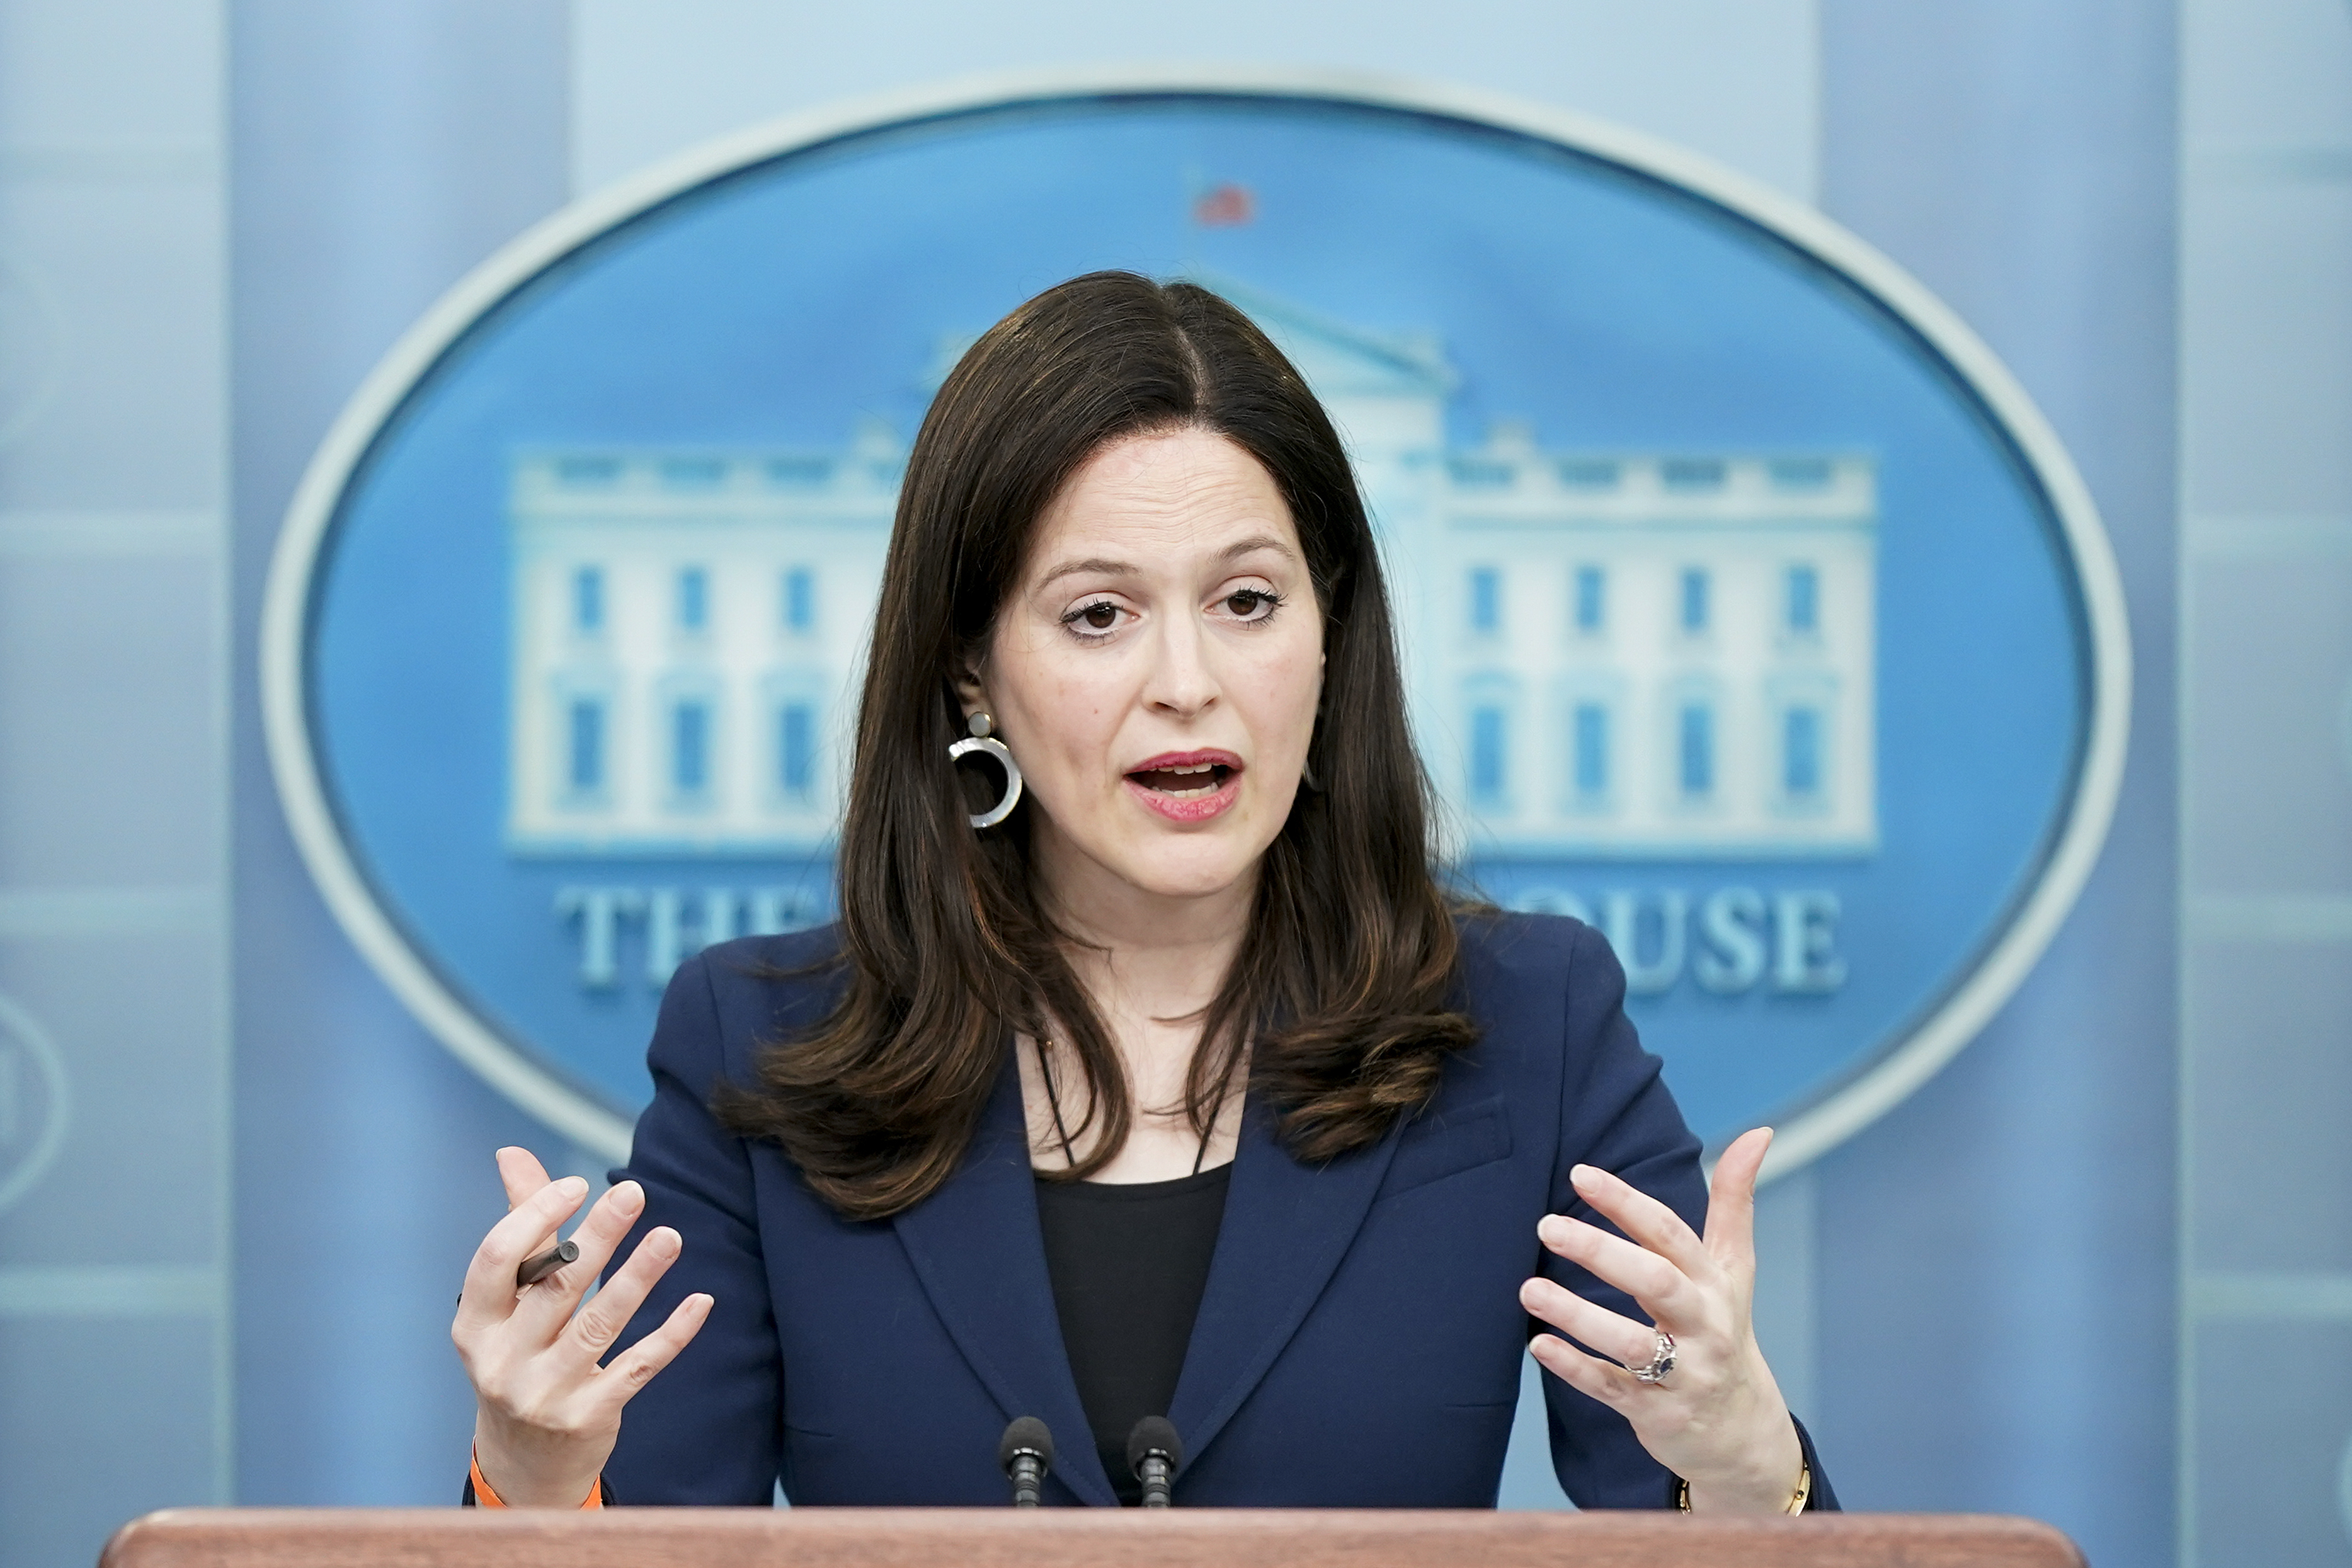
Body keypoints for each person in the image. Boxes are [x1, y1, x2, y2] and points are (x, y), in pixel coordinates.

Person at [450, 271, 1835, 1513]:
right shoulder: (753, 1051)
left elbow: (1697, 1519)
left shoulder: (1530, 1023)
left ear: (1330, 635)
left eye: (1246, 601)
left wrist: (1739, 1456)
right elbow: (645, 1533)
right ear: (969, 669)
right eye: (1098, 615)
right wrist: (532, 1473)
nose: (1189, 680)